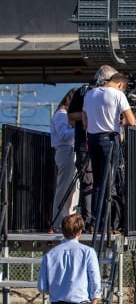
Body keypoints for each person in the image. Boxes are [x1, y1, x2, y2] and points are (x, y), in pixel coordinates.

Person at [83, 66, 136, 233]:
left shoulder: (90, 93)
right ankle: (107, 223)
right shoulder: (118, 94)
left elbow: (84, 119)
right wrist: (123, 124)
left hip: (92, 138)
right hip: (109, 139)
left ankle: (95, 222)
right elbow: (131, 121)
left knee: (97, 183)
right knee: (109, 182)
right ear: (120, 85)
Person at [50, 88, 80, 232]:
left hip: (69, 151)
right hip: (65, 150)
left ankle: (68, 220)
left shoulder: (64, 114)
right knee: (64, 188)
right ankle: (58, 221)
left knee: (72, 188)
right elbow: (63, 134)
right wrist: (79, 130)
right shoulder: (62, 114)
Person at [68, 83, 95, 232]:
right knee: (86, 182)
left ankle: (104, 220)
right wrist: (86, 114)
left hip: (102, 143)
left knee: (105, 184)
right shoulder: (83, 92)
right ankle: (87, 221)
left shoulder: (110, 94)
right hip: (84, 144)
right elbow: (70, 116)